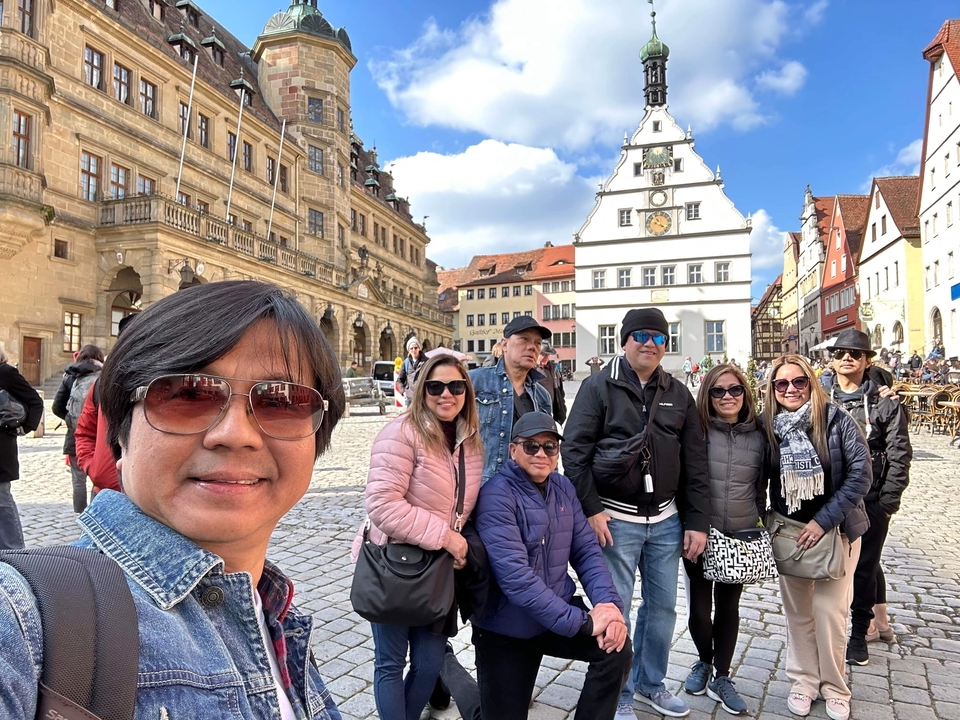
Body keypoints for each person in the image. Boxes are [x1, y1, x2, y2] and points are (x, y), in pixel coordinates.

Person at [0, 281, 347, 718]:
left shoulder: (276, 616)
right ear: (122, 434)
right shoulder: (22, 619)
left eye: (281, 401)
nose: (235, 435)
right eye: (187, 394)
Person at [562, 307, 710, 719]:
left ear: (667, 345)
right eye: (641, 335)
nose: (650, 343)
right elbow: (573, 453)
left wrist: (697, 521)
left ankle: (650, 683)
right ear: (624, 340)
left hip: (666, 520)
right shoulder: (598, 388)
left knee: (662, 608)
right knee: (618, 608)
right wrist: (590, 510)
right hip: (615, 520)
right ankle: (620, 691)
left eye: (659, 337)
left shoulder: (678, 392)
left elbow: (696, 462)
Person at [472, 412, 631, 720]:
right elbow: (517, 580)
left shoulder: (563, 488)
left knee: (617, 651)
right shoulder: (496, 496)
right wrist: (584, 623)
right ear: (513, 450)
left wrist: (609, 608)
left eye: (549, 447)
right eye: (531, 446)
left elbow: (586, 551)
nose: (541, 454)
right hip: (506, 626)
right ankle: (450, 671)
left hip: (555, 615)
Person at [353, 353, 484, 720]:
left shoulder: (469, 441)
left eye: (456, 386)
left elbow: (462, 505)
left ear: (466, 392)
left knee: (429, 664)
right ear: (422, 390)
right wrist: (447, 537)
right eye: (436, 386)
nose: (447, 394)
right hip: (392, 563)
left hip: (438, 572)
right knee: (391, 663)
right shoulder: (401, 432)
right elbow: (382, 505)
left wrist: (461, 542)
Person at [763, 354, 870, 720]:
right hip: (790, 532)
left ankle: (835, 687)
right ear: (772, 390)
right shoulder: (770, 428)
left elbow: (860, 475)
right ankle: (804, 681)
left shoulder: (838, 421)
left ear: (811, 382)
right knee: (798, 613)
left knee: (829, 612)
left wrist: (822, 522)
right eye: (782, 384)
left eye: (799, 382)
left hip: (836, 531)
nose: (791, 389)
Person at [681, 363, 767, 716]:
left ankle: (722, 674)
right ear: (708, 395)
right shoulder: (696, 430)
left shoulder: (760, 432)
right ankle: (703, 660)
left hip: (741, 531)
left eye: (734, 390)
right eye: (718, 391)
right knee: (700, 609)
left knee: (728, 607)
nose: (727, 397)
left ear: (745, 393)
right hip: (701, 532)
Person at [826, 330, 912, 667]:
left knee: (864, 565)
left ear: (867, 361)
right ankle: (866, 625)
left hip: (871, 498)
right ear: (832, 360)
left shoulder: (885, 402)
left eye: (855, 353)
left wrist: (887, 501)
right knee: (838, 565)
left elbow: (900, 453)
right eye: (841, 352)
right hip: (830, 496)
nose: (847, 357)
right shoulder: (820, 397)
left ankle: (860, 633)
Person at [469, 316, 552, 485]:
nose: (532, 347)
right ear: (504, 344)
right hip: (483, 487)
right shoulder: (475, 382)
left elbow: (547, 445)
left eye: (537, 343)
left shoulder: (542, 396)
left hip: (527, 489)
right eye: (524, 339)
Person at [74, 315, 136, 497]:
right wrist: (93, 467)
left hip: (154, 502)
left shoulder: (170, 384)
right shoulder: (102, 384)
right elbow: (84, 431)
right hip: (105, 491)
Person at [51, 344, 104, 513]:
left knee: (78, 480)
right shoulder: (103, 377)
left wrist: (70, 419)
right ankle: (95, 513)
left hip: (75, 436)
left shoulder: (70, 377)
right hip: (100, 435)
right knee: (100, 478)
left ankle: (81, 514)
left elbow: (57, 406)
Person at [0, 349, 44, 550]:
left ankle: (14, 550)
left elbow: (35, 400)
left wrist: (25, 427)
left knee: (2, 500)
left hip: (1, 447)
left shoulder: (5, 373)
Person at [537, 341, 567, 424]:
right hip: (536, 414)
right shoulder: (529, 370)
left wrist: (562, 409)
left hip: (552, 414)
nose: (546, 357)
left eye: (548, 355)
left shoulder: (553, 369)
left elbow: (560, 392)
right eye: (543, 354)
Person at [397, 337, 426, 406]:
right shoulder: (406, 363)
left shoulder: (426, 362)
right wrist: (403, 391)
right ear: (409, 350)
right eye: (411, 348)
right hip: (410, 398)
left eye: (416, 348)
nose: (414, 350)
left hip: (423, 397)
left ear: (419, 348)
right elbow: (400, 379)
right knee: (410, 416)